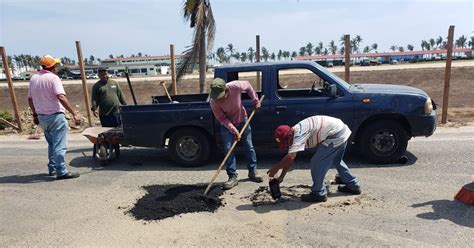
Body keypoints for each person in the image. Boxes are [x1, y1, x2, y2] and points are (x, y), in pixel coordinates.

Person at [267, 115, 361, 203]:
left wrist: (275, 168)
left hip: (335, 135)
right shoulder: (293, 133)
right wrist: (281, 176)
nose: (288, 145)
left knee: (316, 163)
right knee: (336, 160)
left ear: (289, 135)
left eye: (286, 143)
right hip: (341, 130)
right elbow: (290, 158)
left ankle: (319, 193)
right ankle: (353, 185)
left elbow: (291, 156)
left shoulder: (298, 134)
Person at [28, 55, 82, 180]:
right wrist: (74, 113)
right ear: (53, 66)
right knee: (59, 145)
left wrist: (35, 114)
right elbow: (61, 97)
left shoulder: (34, 79)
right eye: (56, 65)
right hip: (55, 116)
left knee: (52, 144)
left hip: (42, 117)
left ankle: (52, 168)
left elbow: (30, 99)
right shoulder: (53, 78)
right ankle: (61, 171)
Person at [209, 78, 263, 189]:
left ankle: (252, 171)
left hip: (243, 119)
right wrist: (234, 130)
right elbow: (222, 119)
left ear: (226, 90)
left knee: (249, 146)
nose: (219, 100)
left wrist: (255, 100)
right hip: (227, 124)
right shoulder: (213, 102)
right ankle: (232, 176)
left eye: (220, 97)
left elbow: (248, 85)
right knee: (229, 149)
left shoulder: (235, 86)